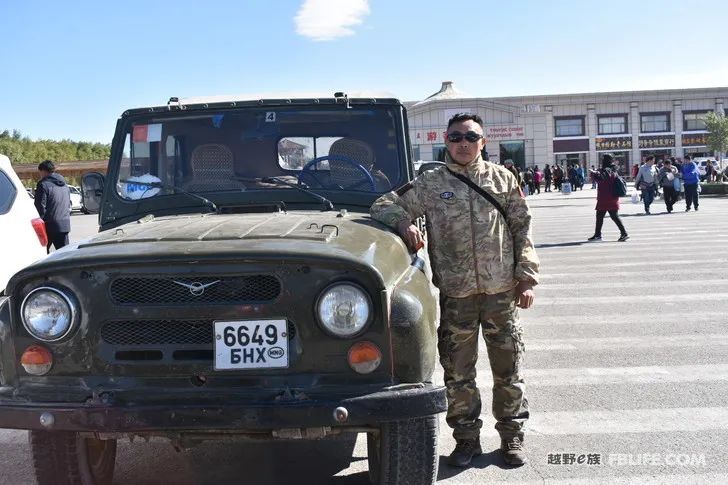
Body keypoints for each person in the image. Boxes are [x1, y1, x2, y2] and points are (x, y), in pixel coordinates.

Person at [370, 113, 539, 468]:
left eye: (470, 136)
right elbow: (383, 204)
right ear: (446, 141)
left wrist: (526, 277)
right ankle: (466, 441)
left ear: (483, 141)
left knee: (508, 369)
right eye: (455, 137)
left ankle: (512, 437)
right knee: (458, 373)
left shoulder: (503, 179)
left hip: (500, 293)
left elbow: (522, 228)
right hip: (456, 295)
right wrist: (403, 223)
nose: (463, 143)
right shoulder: (430, 183)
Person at [588, 154, 629, 242]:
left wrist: (593, 173)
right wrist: (596, 172)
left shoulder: (606, 170)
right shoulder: (613, 169)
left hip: (606, 197)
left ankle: (623, 233)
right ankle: (598, 234)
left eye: (603, 159)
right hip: (611, 197)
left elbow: (601, 179)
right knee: (610, 216)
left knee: (605, 216)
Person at [34, 160, 71, 252]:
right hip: (65, 224)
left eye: (40, 172)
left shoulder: (43, 185)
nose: (40, 175)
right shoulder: (64, 185)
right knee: (65, 254)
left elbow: (40, 206)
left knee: (40, 253)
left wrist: (40, 221)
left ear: (43, 171)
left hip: (50, 224)